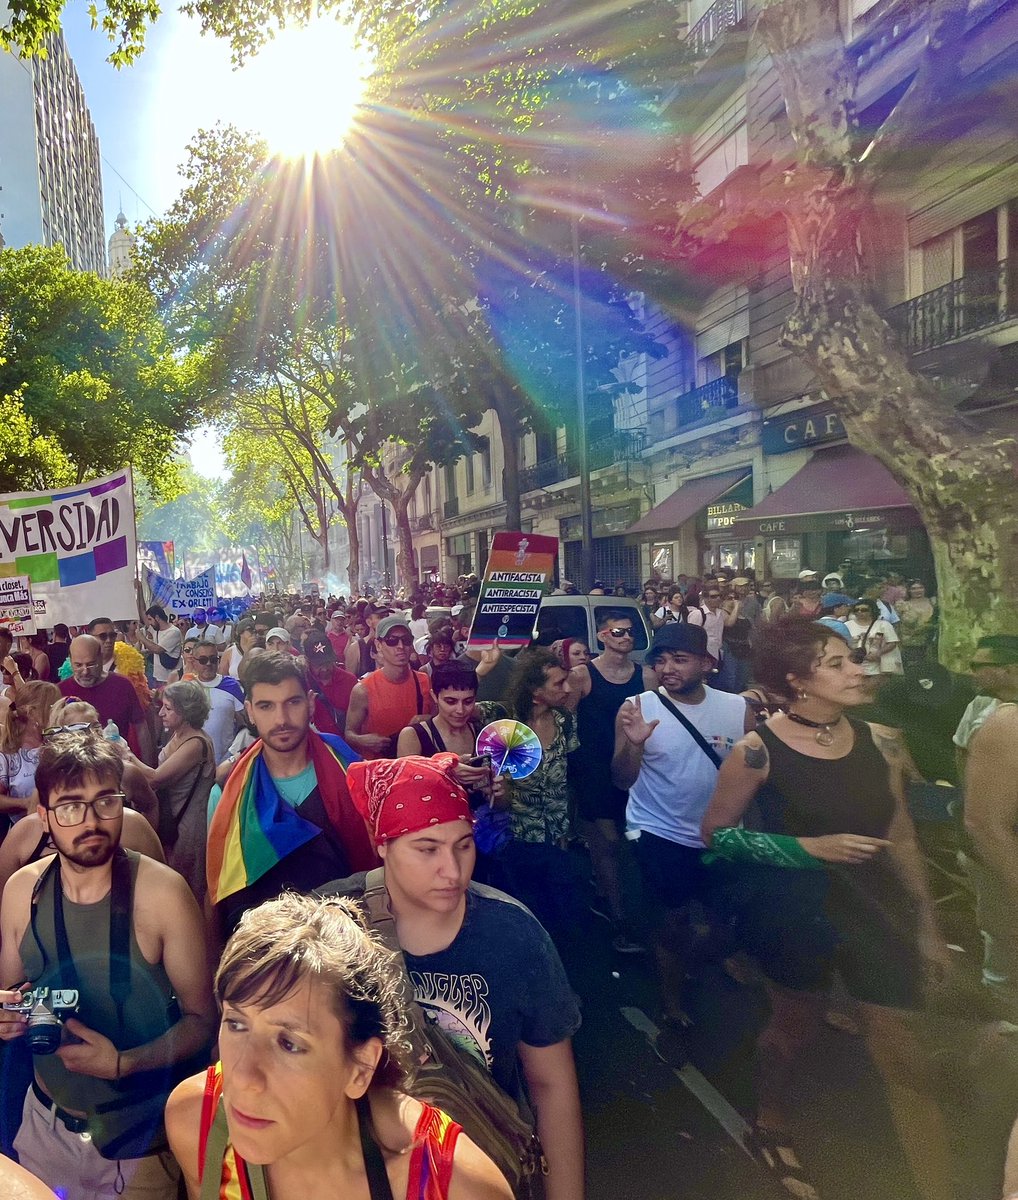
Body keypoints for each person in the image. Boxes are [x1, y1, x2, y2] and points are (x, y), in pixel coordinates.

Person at [701, 617, 949, 1200]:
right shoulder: (757, 751)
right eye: (837, 663)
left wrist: (929, 926)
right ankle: (772, 1118)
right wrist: (806, 848)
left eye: (853, 658)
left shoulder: (884, 740)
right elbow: (716, 835)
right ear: (798, 681)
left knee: (903, 1055)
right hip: (798, 913)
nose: (858, 671)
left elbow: (904, 837)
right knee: (795, 1030)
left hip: (875, 912)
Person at [324, 754, 584, 1200]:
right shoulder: (331, 925)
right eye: (427, 849)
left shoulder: (514, 933)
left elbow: (550, 1083)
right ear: (383, 845)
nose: (453, 870)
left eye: (463, 845)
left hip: (481, 1173)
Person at [165, 890, 511, 1200]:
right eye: (237, 1024)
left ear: (361, 1067)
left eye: (289, 1044)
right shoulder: (198, 1124)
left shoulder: (451, 1186)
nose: (243, 1078)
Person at [0, 731, 215, 1200]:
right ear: (45, 817)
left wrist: (123, 1063)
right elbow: (11, 992)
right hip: (45, 1126)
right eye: (71, 806)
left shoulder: (163, 894)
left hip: (140, 1143)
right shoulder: (22, 891)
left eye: (105, 801)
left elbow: (204, 1021)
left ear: (124, 803)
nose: (91, 821)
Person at [611, 622, 752, 1063]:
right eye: (661, 660)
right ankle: (672, 1002)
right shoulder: (636, 707)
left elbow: (754, 775)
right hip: (659, 832)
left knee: (723, 922)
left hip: (724, 835)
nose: (667, 669)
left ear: (707, 664)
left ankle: (712, 955)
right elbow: (621, 779)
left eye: (680, 659)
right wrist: (634, 746)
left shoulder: (737, 709)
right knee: (673, 924)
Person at [206, 651, 377, 944]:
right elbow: (219, 888)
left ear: (310, 703)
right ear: (249, 710)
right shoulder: (225, 792)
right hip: (266, 953)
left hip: (348, 941)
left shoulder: (350, 767)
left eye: (292, 702)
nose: (281, 719)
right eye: (266, 706)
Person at [566, 610, 645, 953]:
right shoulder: (583, 674)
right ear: (601, 635)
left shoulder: (646, 675)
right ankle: (618, 918)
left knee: (631, 841)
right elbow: (566, 721)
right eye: (617, 631)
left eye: (629, 632)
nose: (625, 637)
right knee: (608, 842)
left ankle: (624, 906)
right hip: (592, 770)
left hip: (633, 769)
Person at [955, 634, 1018, 1018]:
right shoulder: (1003, 720)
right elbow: (984, 822)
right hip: (1001, 852)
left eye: (981, 665)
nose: (973, 672)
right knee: (1004, 936)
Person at [498, 648, 580, 941]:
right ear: (535, 691)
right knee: (529, 913)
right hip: (519, 838)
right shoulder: (507, 728)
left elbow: (571, 776)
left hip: (558, 836)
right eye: (558, 684)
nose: (567, 689)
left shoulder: (565, 722)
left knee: (562, 914)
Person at [124, 681, 215, 903]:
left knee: (186, 886)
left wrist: (127, 755)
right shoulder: (177, 735)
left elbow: (156, 778)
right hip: (173, 820)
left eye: (168, 708)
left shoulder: (196, 743)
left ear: (185, 711)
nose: (161, 713)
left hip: (188, 826)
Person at [345, 615, 434, 760]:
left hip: (415, 766)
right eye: (392, 641)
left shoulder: (424, 680)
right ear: (379, 645)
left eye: (405, 641)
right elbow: (349, 733)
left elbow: (441, 721)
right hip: (380, 769)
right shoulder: (363, 690)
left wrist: (428, 720)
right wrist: (363, 741)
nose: (400, 647)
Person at [58, 636, 154, 764]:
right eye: (78, 665)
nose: (85, 671)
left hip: (119, 766)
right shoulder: (60, 691)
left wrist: (148, 768)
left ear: (101, 658)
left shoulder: (122, 685)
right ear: (70, 661)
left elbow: (141, 728)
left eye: (91, 664)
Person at [0, 681, 61, 829]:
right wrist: (26, 803)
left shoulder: (59, 741)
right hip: (26, 831)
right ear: (32, 713)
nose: (59, 711)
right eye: (53, 707)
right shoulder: (8, 751)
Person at [189, 636, 245, 764]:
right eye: (203, 660)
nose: (209, 664)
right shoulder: (187, 687)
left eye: (213, 659)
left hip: (225, 760)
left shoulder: (231, 686)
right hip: (194, 762)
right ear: (194, 662)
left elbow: (244, 723)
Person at [303, 632, 357, 739]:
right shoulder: (301, 683)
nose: (324, 669)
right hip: (315, 745)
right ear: (307, 661)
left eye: (327, 663)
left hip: (345, 745)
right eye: (318, 665)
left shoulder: (349, 680)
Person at [845, 598, 902, 678]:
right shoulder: (846, 625)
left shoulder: (884, 625)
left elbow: (892, 642)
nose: (859, 612)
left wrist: (878, 653)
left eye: (864, 610)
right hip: (854, 666)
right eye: (856, 610)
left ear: (872, 611)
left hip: (877, 667)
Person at [896, 580, 937, 672]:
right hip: (910, 645)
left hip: (931, 643)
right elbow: (897, 625)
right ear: (909, 591)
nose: (917, 590)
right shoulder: (902, 605)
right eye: (913, 588)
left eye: (920, 587)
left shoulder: (933, 602)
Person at [137, 605, 183, 687]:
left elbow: (157, 649)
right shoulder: (155, 629)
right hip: (158, 678)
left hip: (171, 680)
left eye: (150, 619)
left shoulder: (173, 632)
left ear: (157, 618)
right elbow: (143, 612)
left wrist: (142, 638)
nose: (149, 623)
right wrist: (139, 592)